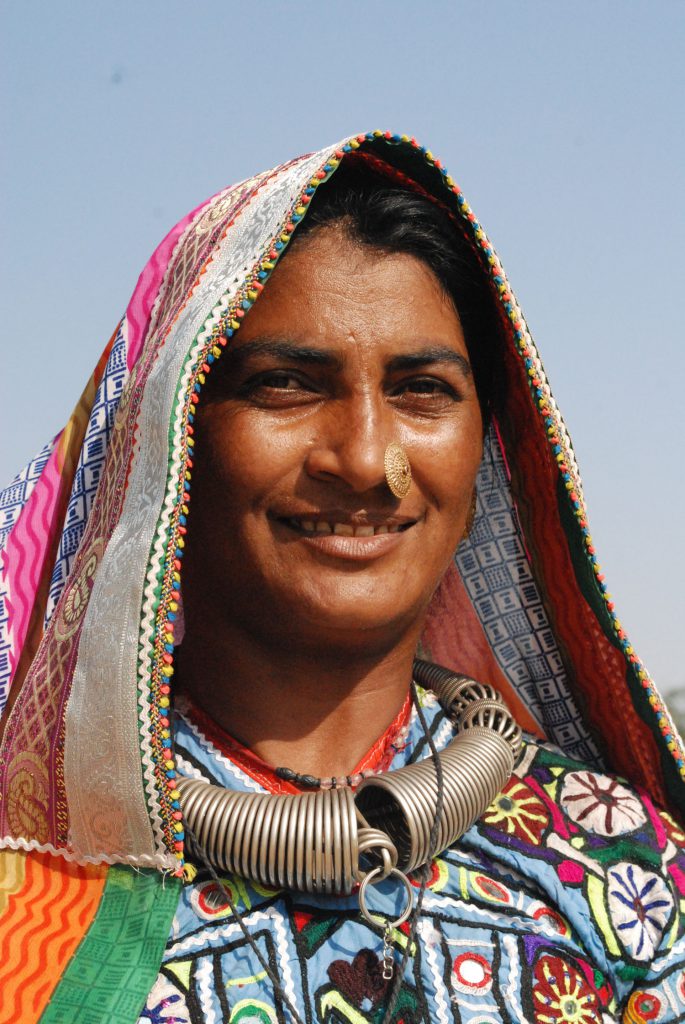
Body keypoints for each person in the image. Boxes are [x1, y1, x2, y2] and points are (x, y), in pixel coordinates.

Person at [0, 131, 683, 1024]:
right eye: (285, 384)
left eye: (421, 390)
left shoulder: (627, 876)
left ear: (484, 451)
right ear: (167, 443)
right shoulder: (40, 872)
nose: (365, 459)